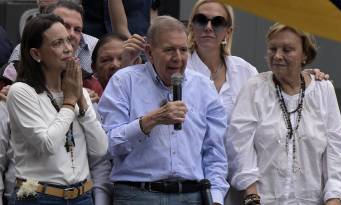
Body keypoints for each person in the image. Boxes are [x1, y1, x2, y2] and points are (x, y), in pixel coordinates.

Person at [186, 1, 330, 204]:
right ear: (191, 25)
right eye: (201, 20)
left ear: (228, 31)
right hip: (194, 179)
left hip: (240, 183)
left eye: (217, 22)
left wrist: (303, 73)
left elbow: (278, 87)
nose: (208, 27)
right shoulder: (178, 71)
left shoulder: (246, 72)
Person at [98, 15, 229, 205]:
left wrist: (216, 198)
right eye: (169, 50)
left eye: (183, 50)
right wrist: (150, 121)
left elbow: (215, 152)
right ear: (149, 52)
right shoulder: (123, 82)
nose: (177, 58)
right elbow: (108, 146)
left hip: (192, 195)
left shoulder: (203, 87)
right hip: (138, 195)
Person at [226, 23, 341, 204]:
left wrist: (334, 199)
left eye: (287, 49)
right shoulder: (255, 88)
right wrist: (252, 196)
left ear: (305, 54)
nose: (277, 56)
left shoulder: (323, 90)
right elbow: (239, 147)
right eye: (272, 48)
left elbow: (336, 154)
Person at [6, 14, 107, 205]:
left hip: (82, 196)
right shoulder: (21, 92)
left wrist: (81, 103)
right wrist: (69, 103)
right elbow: (47, 146)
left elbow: (100, 150)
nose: (68, 48)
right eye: (57, 43)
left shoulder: (78, 91)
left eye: (69, 41)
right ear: (36, 54)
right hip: (38, 197)